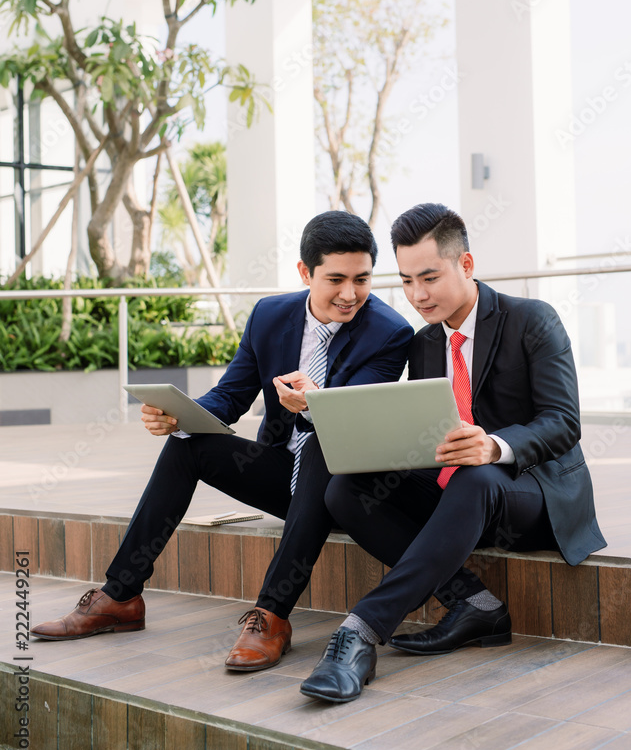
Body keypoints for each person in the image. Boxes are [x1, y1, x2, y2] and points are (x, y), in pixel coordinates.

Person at [31, 211, 413, 674]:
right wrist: (180, 415)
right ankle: (120, 596)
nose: (350, 294)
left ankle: (271, 617)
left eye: (362, 279)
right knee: (188, 445)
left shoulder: (390, 333)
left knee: (318, 444)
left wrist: (315, 404)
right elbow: (230, 397)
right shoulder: (270, 316)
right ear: (304, 272)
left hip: (343, 490)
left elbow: (355, 423)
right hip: (281, 477)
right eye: (336, 279)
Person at [300, 202, 606, 703]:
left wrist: (494, 445)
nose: (418, 295)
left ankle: (360, 632)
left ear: (465, 264)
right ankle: (474, 603)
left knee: (476, 475)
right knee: (347, 488)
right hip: (458, 495)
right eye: (405, 281)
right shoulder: (422, 346)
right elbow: (427, 431)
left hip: (534, 493)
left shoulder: (532, 320)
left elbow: (563, 422)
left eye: (430, 277)